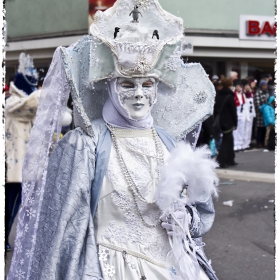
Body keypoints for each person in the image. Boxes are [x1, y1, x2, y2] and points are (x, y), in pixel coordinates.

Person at [8, 1, 219, 280]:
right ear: (109, 85)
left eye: (147, 85)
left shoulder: (168, 143)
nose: (139, 94)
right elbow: (60, 232)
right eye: (127, 84)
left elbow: (200, 208)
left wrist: (186, 218)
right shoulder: (83, 146)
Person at [5, 53, 41, 252]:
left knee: (16, 207)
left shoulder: (29, 109)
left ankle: (6, 235)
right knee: (7, 207)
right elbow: (31, 104)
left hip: (25, 168)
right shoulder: (12, 104)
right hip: (11, 168)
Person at [214, 78, 237, 168]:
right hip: (228, 122)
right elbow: (233, 111)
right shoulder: (230, 97)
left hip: (220, 121)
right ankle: (221, 160)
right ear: (229, 86)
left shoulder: (218, 95)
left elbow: (215, 109)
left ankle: (230, 159)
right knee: (226, 141)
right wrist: (235, 123)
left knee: (230, 139)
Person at [232, 80, 249, 151]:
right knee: (235, 130)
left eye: (240, 86)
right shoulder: (233, 95)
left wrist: (246, 116)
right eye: (237, 86)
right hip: (236, 114)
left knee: (241, 130)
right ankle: (235, 145)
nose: (238, 88)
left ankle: (240, 144)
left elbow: (245, 106)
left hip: (242, 114)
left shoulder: (243, 95)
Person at [254, 80, 269, 148]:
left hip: (267, 114)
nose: (265, 87)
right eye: (264, 85)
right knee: (260, 129)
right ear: (261, 86)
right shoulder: (258, 93)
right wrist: (263, 109)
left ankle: (264, 141)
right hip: (260, 114)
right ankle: (259, 142)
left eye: (266, 85)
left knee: (265, 129)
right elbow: (257, 104)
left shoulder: (267, 93)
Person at [243, 81, 256, 149]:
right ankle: (244, 144)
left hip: (251, 113)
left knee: (249, 129)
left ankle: (248, 143)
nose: (247, 87)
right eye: (246, 85)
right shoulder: (243, 94)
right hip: (245, 114)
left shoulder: (252, 93)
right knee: (245, 129)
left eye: (248, 85)